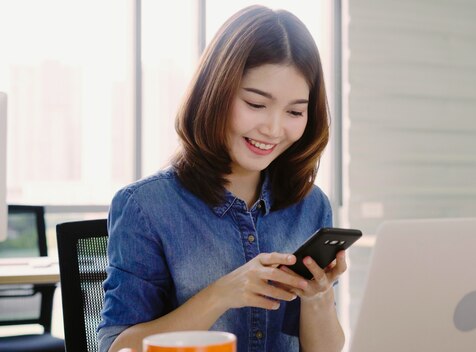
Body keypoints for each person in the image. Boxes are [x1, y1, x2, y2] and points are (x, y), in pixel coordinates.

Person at [97, 5, 346, 352]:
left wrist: (317, 298)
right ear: (215, 93)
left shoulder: (311, 205)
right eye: (256, 104)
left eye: (294, 111)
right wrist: (222, 294)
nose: (273, 129)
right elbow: (119, 348)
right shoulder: (146, 207)